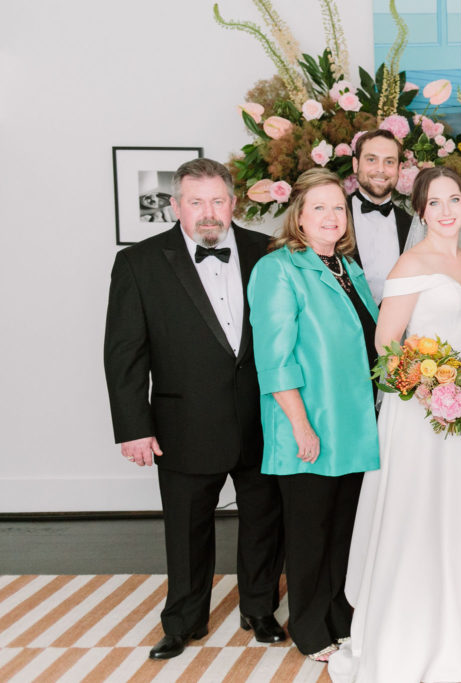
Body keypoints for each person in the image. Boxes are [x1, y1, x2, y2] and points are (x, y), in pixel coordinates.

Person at [330, 166, 461, 682]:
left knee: (458, 511)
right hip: (418, 413)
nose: (447, 210)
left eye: (454, 199)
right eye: (435, 202)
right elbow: (385, 346)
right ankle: (408, 631)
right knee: (417, 512)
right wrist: (432, 389)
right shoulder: (410, 263)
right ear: (421, 211)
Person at [103, 158, 286, 660]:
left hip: (262, 417)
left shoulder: (268, 251)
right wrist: (133, 427)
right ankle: (183, 621)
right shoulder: (139, 263)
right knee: (186, 529)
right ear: (176, 205)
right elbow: (124, 353)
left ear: (233, 203)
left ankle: (260, 609)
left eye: (217, 200)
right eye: (196, 201)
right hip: (183, 422)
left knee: (265, 519)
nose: (208, 212)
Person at [247, 168, 381, 662]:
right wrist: (300, 426)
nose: (330, 217)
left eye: (338, 208)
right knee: (309, 534)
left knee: (343, 531)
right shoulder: (278, 268)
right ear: (299, 216)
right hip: (308, 424)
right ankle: (308, 626)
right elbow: (274, 358)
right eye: (319, 208)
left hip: (353, 427)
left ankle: (339, 617)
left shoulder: (349, 269)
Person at [350, 129, 415, 303]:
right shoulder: (333, 217)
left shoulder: (410, 224)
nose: (380, 169)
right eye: (371, 160)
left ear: (399, 169)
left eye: (389, 162)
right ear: (356, 164)